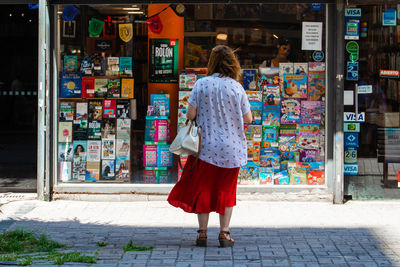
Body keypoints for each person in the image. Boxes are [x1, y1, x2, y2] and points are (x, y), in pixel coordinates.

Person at [167, 45, 252, 247]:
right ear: (232, 63)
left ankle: (202, 233)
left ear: (212, 62)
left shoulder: (201, 84)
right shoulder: (236, 87)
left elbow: (190, 115)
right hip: (231, 149)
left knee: (203, 188)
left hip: (205, 148)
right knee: (227, 191)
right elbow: (248, 118)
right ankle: (224, 233)